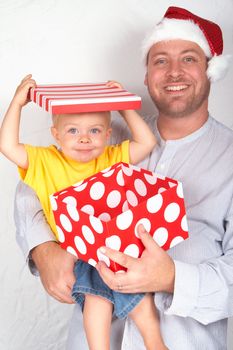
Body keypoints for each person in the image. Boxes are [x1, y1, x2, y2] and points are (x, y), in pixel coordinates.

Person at [13, 5, 233, 350]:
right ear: (146, 75)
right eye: (160, 60)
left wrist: (172, 278)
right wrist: (43, 247)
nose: (174, 72)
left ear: (211, 70)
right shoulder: (107, 137)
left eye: (189, 58)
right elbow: (35, 184)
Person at [0, 77, 169, 350]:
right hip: (81, 251)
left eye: (94, 130)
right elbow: (7, 146)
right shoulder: (45, 161)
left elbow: (147, 142)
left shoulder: (111, 157)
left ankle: (155, 343)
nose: (84, 138)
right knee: (97, 300)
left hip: (118, 246)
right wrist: (18, 104)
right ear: (56, 134)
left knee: (142, 297)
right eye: (72, 131)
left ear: (107, 134)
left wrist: (124, 106)